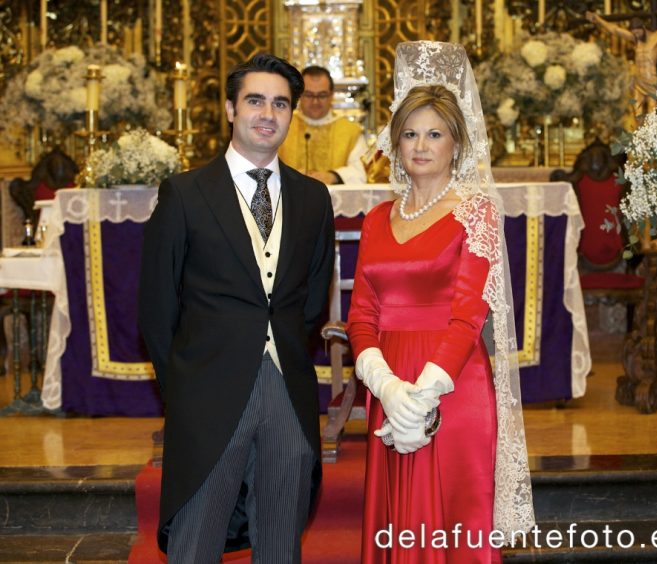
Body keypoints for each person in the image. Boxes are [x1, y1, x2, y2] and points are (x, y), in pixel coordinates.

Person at [138, 53, 335, 562]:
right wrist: (185, 389)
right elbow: (157, 309)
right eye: (254, 100)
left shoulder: (314, 198)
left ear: (292, 114)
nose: (267, 113)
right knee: (197, 539)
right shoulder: (184, 193)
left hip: (287, 391)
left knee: (278, 541)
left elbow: (311, 301)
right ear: (229, 108)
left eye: (280, 103)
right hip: (208, 393)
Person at [347, 41, 535, 563]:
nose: (420, 145)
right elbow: (361, 312)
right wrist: (386, 385)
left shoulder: (474, 212)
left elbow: (469, 313)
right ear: (395, 143)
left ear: (457, 142)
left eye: (434, 133)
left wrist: (423, 395)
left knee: (455, 527)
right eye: (409, 134)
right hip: (389, 385)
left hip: (451, 386)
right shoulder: (374, 220)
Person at [279, 65, 367, 184]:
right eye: (309, 95)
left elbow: (361, 173)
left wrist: (333, 176)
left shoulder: (350, 131)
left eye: (322, 95)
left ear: (331, 96)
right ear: (299, 95)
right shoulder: (281, 125)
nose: (315, 101)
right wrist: (291, 175)